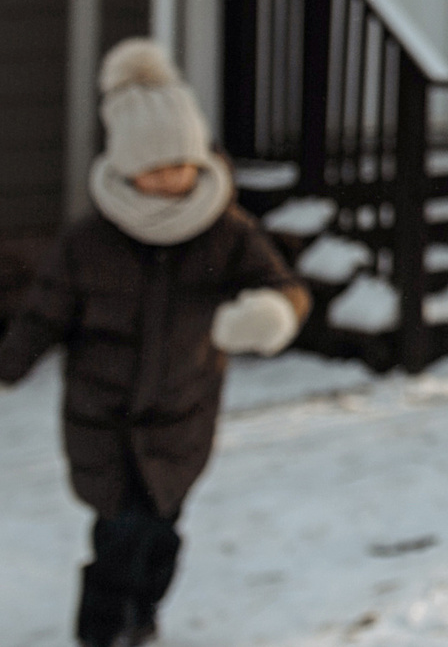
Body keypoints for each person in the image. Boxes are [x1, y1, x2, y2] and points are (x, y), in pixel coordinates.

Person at [0, 39, 309, 647]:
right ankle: (101, 631)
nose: (172, 177)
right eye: (156, 165)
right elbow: (43, 314)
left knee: (162, 530)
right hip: (103, 419)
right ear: (125, 168)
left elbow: (283, 285)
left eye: (182, 163)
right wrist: (10, 363)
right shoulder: (90, 242)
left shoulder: (226, 232)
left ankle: (144, 614)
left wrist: (269, 315)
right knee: (118, 530)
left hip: (181, 416)